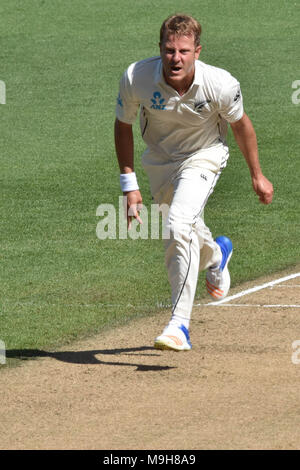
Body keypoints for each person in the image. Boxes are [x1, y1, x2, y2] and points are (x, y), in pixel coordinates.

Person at [114, 14, 273, 351]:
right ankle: (217, 254)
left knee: (177, 223)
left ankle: (179, 325)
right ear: (159, 49)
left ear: (197, 51)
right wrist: (129, 184)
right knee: (184, 229)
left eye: (184, 51)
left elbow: (241, 125)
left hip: (205, 156)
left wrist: (256, 174)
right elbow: (123, 124)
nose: (176, 58)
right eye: (170, 50)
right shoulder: (136, 77)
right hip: (159, 161)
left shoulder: (221, 84)